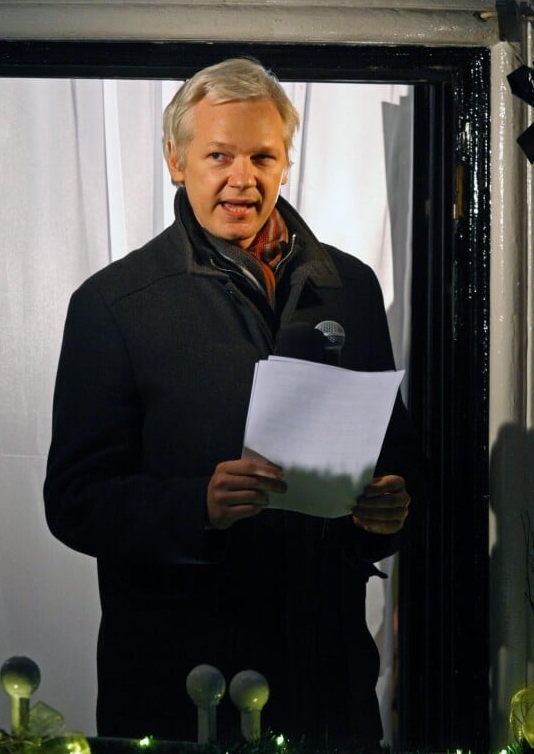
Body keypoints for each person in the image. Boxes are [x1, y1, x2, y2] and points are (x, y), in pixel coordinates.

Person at [44, 58, 426, 749]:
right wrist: (199, 506)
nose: (242, 177)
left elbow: (394, 451)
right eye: (218, 154)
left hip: (326, 680)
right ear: (175, 160)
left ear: (285, 163)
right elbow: (73, 500)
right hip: (182, 686)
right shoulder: (112, 304)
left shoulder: (351, 287)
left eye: (262, 156)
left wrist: (389, 506)